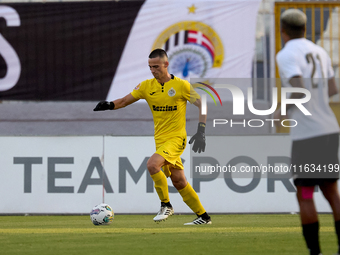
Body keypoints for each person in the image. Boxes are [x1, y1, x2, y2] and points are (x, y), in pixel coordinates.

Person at [93, 48, 211, 225]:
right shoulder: (146, 86)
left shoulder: (182, 86)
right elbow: (124, 101)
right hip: (161, 140)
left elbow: (203, 105)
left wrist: (201, 131)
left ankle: (166, 205)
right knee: (179, 181)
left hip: (177, 138)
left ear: (166, 64)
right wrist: (109, 105)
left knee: (152, 164)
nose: (153, 70)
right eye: (150, 67)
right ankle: (203, 217)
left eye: (156, 66)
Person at [274, 9, 340, 255]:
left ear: (283, 31)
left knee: (304, 193)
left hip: (307, 133)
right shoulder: (320, 51)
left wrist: (282, 111)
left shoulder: (286, 53)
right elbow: (332, 87)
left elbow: (300, 90)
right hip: (329, 128)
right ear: (305, 29)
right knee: (332, 191)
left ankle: (315, 252)